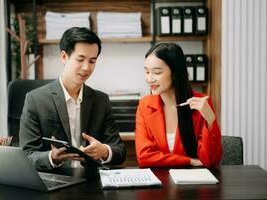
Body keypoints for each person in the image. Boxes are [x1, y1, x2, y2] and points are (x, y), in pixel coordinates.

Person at [19, 27, 126, 171]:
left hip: (92, 181)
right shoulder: (35, 99)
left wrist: (104, 151)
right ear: (64, 57)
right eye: (80, 59)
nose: (86, 68)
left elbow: (119, 151)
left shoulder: (101, 100)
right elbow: (27, 155)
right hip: (56, 180)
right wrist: (52, 157)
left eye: (92, 61)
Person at [135, 43, 222, 168]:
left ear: (175, 73)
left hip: (193, 183)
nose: (150, 79)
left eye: (157, 72)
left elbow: (210, 161)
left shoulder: (201, 103)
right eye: (147, 72)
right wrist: (189, 161)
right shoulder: (145, 105)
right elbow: (144, 157)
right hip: (160, 182)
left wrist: (211, 121)